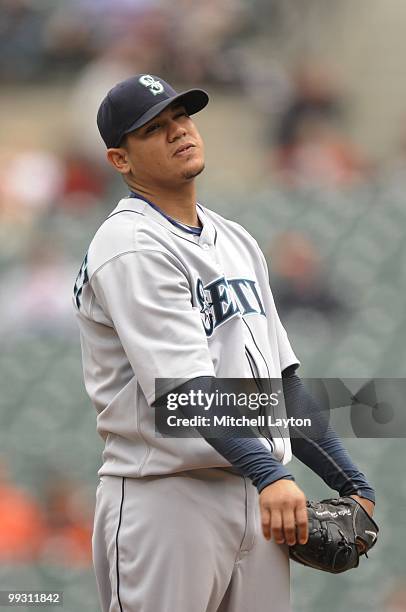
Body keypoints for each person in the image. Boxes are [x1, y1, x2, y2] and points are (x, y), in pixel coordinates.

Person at [73, 74, 375, 612]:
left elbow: (280, 386)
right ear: (121, 160)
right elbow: (184, 391)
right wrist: (271, 473)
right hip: (167, 497)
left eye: (182, 118)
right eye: (155, 129)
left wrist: (352, 482)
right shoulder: (129, 243)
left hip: (260, 497)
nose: (179, 132)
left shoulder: (235, 239)